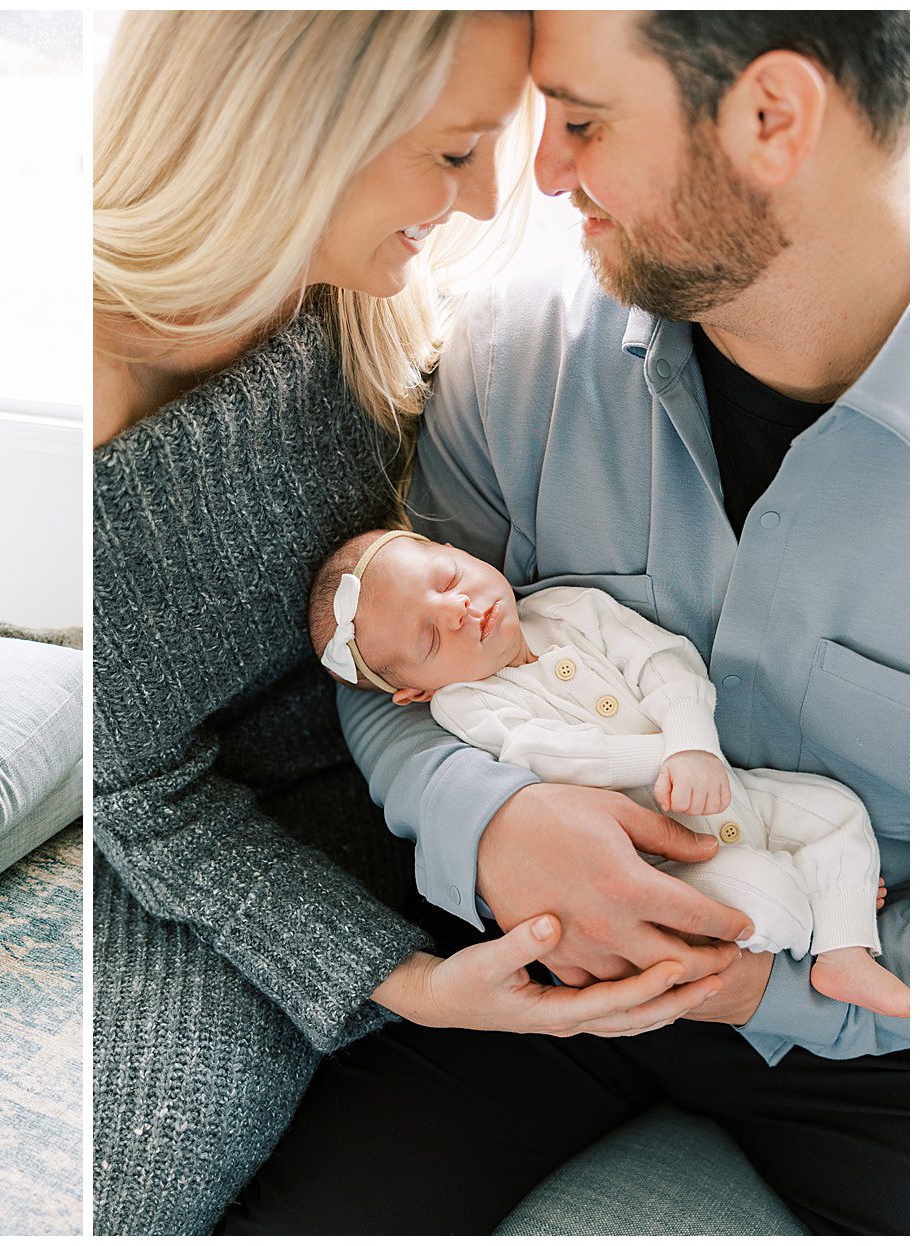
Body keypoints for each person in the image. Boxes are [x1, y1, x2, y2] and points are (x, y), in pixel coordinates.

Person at [219, 11, 908, 1235]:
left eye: (582, 123)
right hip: (540, 982)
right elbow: (395, 684)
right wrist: (493, 826)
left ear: (773, 119)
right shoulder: (514, 353)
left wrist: (778, 988)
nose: (537, 176)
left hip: (863, 1042)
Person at [92, 11, 744, 1235]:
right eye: (455, 153)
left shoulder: (373, 300)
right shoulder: (95, 396)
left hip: (439, 785)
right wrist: (412, 984)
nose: (496, 191)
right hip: (208, 850)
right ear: (285, 134)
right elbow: (144, 799)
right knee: (128, 1183)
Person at [310, 527, 905, 1016]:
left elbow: (661, 660)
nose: (460, 611)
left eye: (447, 580)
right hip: (662, 861)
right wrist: (658, 759)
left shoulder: (570, 609)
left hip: (729, 788)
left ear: (457, 551)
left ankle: (844, 951)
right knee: (766, 899)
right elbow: (552, 754)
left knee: (837, 812)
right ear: (415, 692)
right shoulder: (468, 705)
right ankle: (822, 905)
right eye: (431, 637)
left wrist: (691, 742)